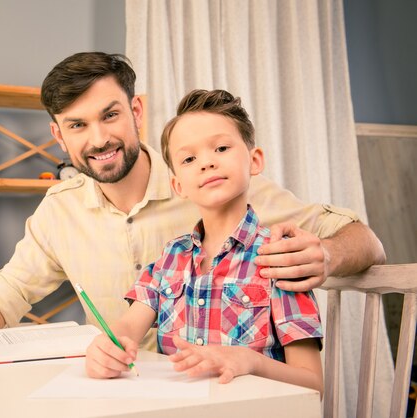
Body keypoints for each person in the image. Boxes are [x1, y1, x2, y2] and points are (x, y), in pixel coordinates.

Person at [0, 52, 385, 357]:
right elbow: (7, 295)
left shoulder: (213, 185)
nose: (99, 139)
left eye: (110, 115)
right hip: (118, 393)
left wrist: (327, 255)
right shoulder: (58, 211)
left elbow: (362, 239)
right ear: (58, 136)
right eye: (77, 126)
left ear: (136, 111)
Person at [84, 89, 323, 393]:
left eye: (221, 148)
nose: (206, 163)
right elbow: (128, 327)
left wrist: (249, 361)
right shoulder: (171, 257)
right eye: (189, 158)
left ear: (254, 160)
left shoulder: (280, 258)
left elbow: (314, 383)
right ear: (178, 184)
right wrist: (105, 348)